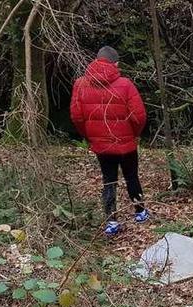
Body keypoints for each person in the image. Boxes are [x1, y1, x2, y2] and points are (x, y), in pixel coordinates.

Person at [70, 46, 149, 236]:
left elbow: (76, 116)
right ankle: (140, 212)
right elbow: (139, 116)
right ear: (116, 64)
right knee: (131, 176)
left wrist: (89, 136)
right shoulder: (125, 84)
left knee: (108, 181)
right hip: (126, 144)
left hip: (101, 146)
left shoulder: (80, 84)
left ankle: (111, 221)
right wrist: (135, 134)